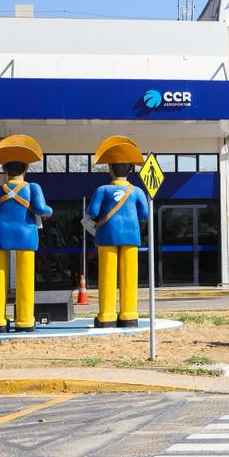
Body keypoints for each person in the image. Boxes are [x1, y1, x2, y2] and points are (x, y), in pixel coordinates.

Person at [0, 135, 53, 332]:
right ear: (26, 168)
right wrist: (50, 210)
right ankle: (24, 320)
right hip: (26, 233)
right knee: (25, 279)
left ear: (4, 169)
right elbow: (40, 209)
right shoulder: (33, 187)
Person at [87, 135, 149, 328]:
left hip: (107, 236)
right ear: (131, 169)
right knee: (129, 276)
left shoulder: (102, 190)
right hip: (131, 237)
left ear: (109, 168)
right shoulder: (137, 191)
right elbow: (145, 215)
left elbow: (92, 212)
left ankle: (107, 316)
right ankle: (129, 314)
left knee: (107, 276)